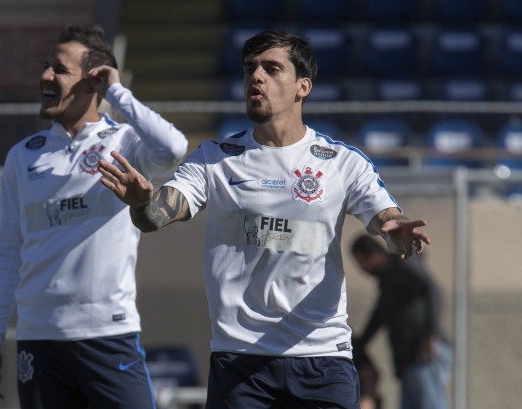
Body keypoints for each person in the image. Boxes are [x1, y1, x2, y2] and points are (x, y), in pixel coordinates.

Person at [98, 30, 430, 409]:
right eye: (250, 69)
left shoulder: (341, 162)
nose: (256, 77)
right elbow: (155, 216)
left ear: (302, 86)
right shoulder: (213, 158)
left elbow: (385, 218)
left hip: (323, 359)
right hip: (240, 362)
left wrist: (397, 232)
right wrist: (142, 204)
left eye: (272, 69)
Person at [0, 24, 188, 409]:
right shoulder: (23, 156)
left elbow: (173, 147)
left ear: (93, 84)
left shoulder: (123, 143)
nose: (45, 76)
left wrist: (117, 93)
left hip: (108, 334)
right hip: (39, 340)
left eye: (58, 69)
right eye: (46, 66)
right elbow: (6, 253)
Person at [351, 234, 452, 409]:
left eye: (362, 262)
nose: (362, 270)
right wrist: (357, 346)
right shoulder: (388, 281)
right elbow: (379, 316)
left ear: (375, 254)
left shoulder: (402, 266)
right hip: (409, 360)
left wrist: (429, 335)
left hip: (423, 353)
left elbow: (432, 290)